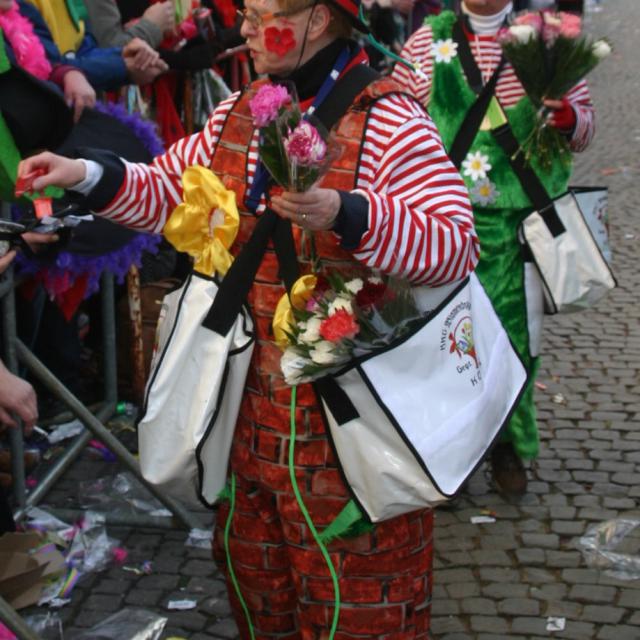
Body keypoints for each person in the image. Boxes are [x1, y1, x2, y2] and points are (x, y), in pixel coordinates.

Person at [18, 0, 479, 634]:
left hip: (353, 436)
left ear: (318, 19)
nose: (244, 30)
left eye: (262, 16)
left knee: (358, 607)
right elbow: (173, 195)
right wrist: (86, 174)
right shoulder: (239, 110)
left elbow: (454, 244)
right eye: (248, 13)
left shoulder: (390, 120)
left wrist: (348, 212)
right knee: (261, 600)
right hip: (245, 425)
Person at [391, 0, 595, 495]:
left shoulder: (547, 43)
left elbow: (585, 130)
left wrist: (568, 118)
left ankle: (508, 443)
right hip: (443, 230)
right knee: (443, 343)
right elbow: (392, 124)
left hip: (518, 231)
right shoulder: (425, 43)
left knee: (514, 339)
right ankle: (449, 453)